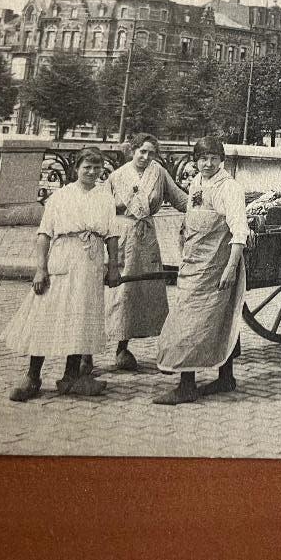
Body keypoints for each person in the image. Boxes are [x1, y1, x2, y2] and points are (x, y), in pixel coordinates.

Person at [2, 147, 120, 401]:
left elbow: (112, 236)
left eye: (97, 167)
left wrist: (114, 266)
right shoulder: (61, 197)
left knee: (81, 315)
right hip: (63, 257)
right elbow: (44, 234)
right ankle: (33, 376)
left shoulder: (105, 198)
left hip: (91, 261)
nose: (92, 172)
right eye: (87, 166)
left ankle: (71, 376)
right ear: (76, 168)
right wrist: (41, 268)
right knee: (47, 313)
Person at [154, 137, 249, 405]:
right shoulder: (197, 182)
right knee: (214, 317)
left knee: (194, 320)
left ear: (222, 160)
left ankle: (186, 385)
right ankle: (226, 377)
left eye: (213, 158)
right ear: (195, 160)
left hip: (217, 264)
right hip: (195, 262)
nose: (208, 163)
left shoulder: (229, 188)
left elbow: (239, 230)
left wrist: (231, 268)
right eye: (202, 158)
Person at [103, 133, 189, 372]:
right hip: (122, 236)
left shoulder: (158, 173)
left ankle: (124, 347)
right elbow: (100, 208)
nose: (146, 157)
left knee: (145, 291)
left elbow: (179, 199)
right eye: (142, 151)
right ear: (132, 150)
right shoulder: (117, 176)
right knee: (120, 292)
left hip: (147, 239)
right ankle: (91, 351)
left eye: (151, 153)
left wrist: (207, 208)